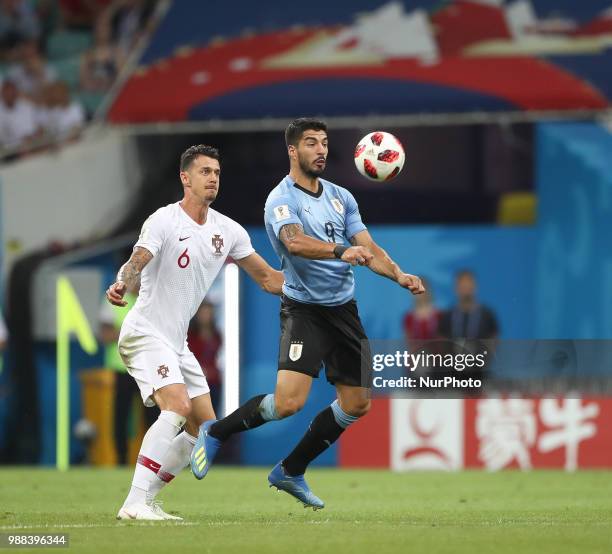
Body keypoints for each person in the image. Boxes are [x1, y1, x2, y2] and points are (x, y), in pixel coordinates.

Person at [190, 118, 424, 509]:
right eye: (312, 143)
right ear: (293, 151)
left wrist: (398, 274)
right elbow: (294, 242)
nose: (321, 150)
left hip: (343, 310)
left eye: (325, 143)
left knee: (357, 403)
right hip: (305, 310)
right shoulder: (281, 199)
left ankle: (291, 469)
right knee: (288, 403)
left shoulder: (341, 197)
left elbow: (368, 246)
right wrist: (340, 251)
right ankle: (218, 430)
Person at [106, 144, 284, 521]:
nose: (213, 179)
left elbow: (268, 279)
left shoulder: (228, 230)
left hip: (176, 343)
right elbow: (137, 260)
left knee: (203, 425)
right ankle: (135, 502)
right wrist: (123, 282)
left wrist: (317, 287)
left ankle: (145, 500)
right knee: (178, 406)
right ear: (185, 178)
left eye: (217, 172)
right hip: (146, 331)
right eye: (205, 172)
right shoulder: (164, 221)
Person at [99, 280, 157, 465]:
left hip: (148, 369)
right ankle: (121, 461)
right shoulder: (113, 299)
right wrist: (135, 333)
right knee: (121, 418)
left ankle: (154, 461)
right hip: (123, 370)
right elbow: (105, 335)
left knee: (153, 419)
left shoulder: (151, 299)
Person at [187, 302, 222, 414]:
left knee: (212, 415)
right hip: (193, 381)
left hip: (213, 381)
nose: (206, 316)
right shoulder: (190, 335)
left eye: (208, 313)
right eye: (203, 313)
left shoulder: (217, 335)